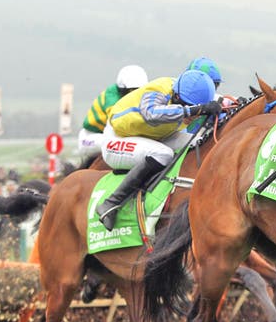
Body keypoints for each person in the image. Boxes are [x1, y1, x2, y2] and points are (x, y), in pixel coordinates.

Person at [95, 69, 222, 230]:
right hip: (117, 138)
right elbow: (151, 113)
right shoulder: (158, 89)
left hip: (155, 136)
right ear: (176, 95)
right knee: (163, 154)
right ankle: (110, 204)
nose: (192, 115)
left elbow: (218, 100)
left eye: (194, 106)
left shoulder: (188, 90)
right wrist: (195, 110)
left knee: (200, 142)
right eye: (186, 105)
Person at [78, 65, 149, 157]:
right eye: (130, 91)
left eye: (138, 91)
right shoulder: (112, 96)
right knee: (122, 146)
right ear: (122, 89)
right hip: (91, 138)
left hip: (109, 135)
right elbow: (117, 121)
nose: (133, 94)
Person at [185, 57, 225, 135]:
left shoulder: (212, 102)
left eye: (216, 85)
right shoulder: (174, 98)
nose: (211, 92)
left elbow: (223, 115)